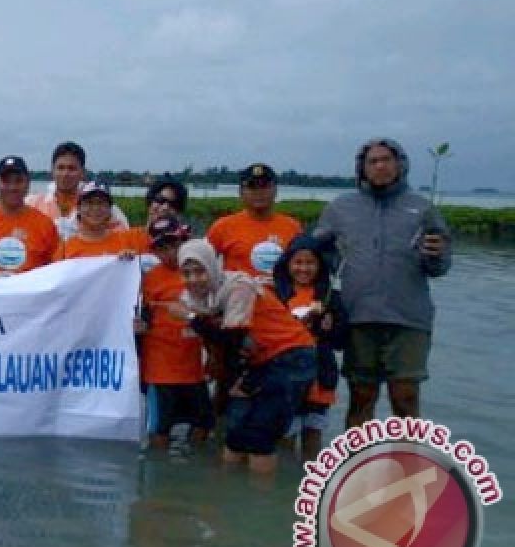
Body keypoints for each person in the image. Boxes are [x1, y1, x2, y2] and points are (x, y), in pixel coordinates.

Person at [313, 138, 451, 426]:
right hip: (358, 315)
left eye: (386, 159)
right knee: (361, 397)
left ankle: (412, 466)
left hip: (409, 318)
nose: (380, 166)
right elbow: (314, 259)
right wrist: (319, 305)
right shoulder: (340, 208)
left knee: (406, 397)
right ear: (361, 169)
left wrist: (437, 256)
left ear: (400, 165)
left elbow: (440, 267)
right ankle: (355, 466)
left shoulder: (423, 208)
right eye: (372, 161)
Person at [174, 239, 316, 474]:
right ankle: (231, 497)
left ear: (212, 266)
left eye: (200, 271)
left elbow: (233, 338)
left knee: (261, 437)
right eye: (186, 273)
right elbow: (224, 343)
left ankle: (261, 503)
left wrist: (190, 317)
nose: (193, 280)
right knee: (236, 434)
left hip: (291, 355)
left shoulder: (238, 287)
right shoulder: (196, 298)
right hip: (257, 362)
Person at [136, 216, 212, 449]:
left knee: (204, 424)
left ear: (184, 240)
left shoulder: (202, 272)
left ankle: (194, 473)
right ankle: (159, 478)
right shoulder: (149, 280)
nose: (168, 252)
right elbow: (141, 319)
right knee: (160, 429)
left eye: (173, 244)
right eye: (161, 247)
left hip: (194, 368)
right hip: (160, 371)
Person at [272, 236, 347, 461]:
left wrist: (328, 328)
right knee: (285, 431)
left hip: (320, 374)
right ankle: (283, 482)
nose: (303, 268)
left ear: (320, 265)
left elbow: (341, 342)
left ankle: (310, 477)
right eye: (298, 262)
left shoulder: (331, 298)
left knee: (313, 431)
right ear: (287, 264)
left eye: (310, 263)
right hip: (287, 374)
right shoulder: (277, 295)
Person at [206, 163, 302, 281]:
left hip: (281, 296)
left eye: (264, 185)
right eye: (252, 186)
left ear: (275, 191)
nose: (259, 192)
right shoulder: (222, 227)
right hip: (239, 295)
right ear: (241, 192)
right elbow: (202, 264)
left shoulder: (293, 227)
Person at [0, 156, 59, 278]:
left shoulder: (45, 224)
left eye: (18, 181)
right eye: (6, 181)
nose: (13, 187)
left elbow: (55, 270)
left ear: (28, 183)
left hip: (30, 295)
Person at [27, 141, 129, 242]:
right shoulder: (33, 203)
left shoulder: (100, 205)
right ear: (52, 171)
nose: (65, 174)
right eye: (60, 168)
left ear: (82, 172)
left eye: (72, 168)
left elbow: (124, 236)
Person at [53, 182, 134, 260]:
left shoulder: (125, 243)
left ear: (110, 209)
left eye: (101, 203)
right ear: (78, 208)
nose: (95, 208)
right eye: (89, 203)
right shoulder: (64, 250)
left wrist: (129, 261)